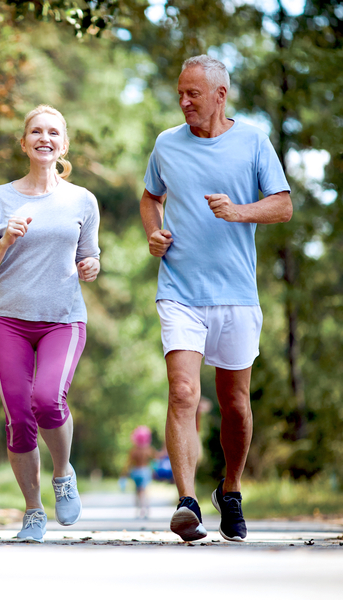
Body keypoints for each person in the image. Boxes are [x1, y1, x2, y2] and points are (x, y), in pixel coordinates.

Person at [140, 55, 292, 542]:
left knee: (236, 405)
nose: (183, 101)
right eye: (180, 92)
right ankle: (186, 502)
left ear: (220, 95)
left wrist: (239, 211)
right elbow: (150, 197)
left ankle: (230, 489)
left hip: (236, 294)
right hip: (180, 289)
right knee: (184, 392)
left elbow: (284, 205)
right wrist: (154, 233)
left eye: (193, 94)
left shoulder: (252, 141)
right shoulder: (166, 144)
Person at [0, 105, 101, 542]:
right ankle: (32, 510)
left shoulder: (82, 200)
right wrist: (6, 239)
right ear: (24, 142)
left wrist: (91, 266)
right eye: (36, 132)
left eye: (53, 132)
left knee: (47, 399)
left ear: (63, 144)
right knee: (18, 418)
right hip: (7, 320)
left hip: (63, 320)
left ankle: (63, 473)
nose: (45, 138)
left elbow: (89, 254)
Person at [124, 425, 157, 518]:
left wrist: (125, 473)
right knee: (144, 491)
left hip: (136, 471)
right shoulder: (148, 449)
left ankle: (138, 509)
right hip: (145, 471)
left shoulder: (133, 450)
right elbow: (156, 458)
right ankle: (145, 508)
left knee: (137, 491)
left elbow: (129, 463)